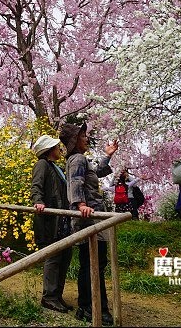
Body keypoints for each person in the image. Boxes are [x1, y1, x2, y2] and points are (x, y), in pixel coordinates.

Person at [60, 122, 118, 326]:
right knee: (93, 263)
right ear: (75, 140)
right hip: (88, 217)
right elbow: (75, 182)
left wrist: (108, 155)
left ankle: (87, 306)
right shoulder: (77, 159)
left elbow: (96, 172)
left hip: (92, 215)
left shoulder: (81, 160)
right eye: (83, 136)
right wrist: (81, 204)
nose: (86, 138)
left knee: (91, 263)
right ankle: (93, 308)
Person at [30, 134, 72, 313]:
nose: (59, 149)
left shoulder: (56, 168)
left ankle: (57, 295)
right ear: (49, 150)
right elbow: (36, 185)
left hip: (61, 221)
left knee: (64, 257)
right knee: (53, 257)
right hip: (50, 221)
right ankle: (49, 297)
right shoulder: (42, 164)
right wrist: (38, 201)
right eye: (56, 147)